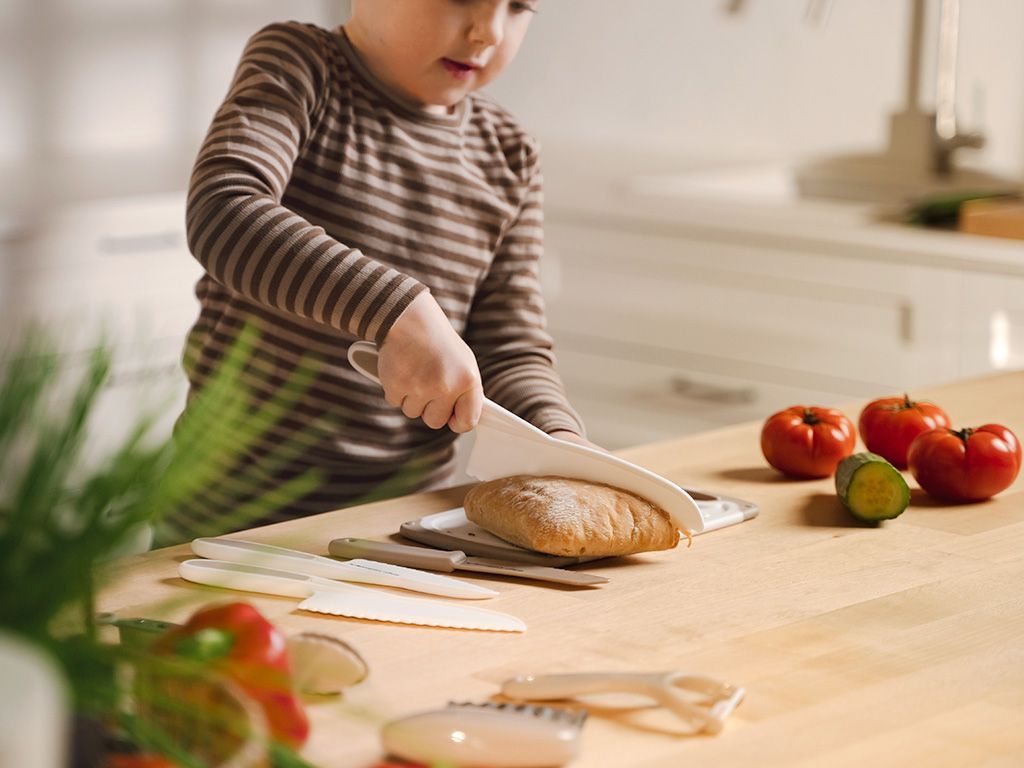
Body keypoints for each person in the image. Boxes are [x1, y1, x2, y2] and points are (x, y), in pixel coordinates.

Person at [179, 0, 592, 524]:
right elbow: (224, 210)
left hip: (403, 527)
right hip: (229, 520)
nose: (488, 31)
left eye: (518, 5)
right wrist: (398, 313)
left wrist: (559, 439)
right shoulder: (301, 65)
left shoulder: (511, 156)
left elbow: (510, 350)